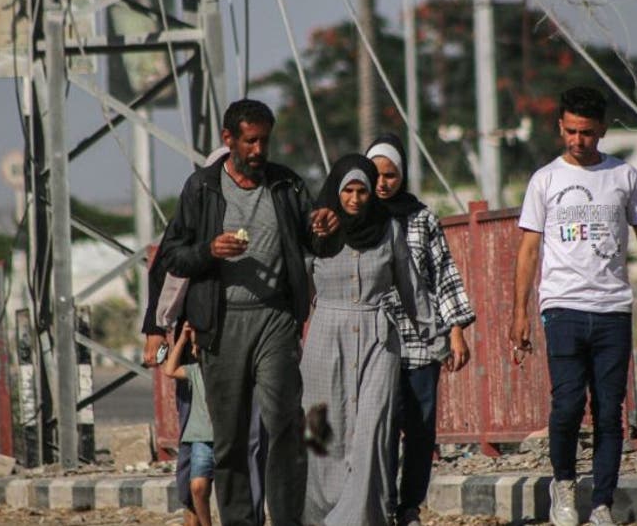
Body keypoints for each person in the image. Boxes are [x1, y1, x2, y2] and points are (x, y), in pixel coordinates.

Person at [155, 99, 338, 526]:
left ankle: (288, 518)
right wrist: (209, 250)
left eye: (264, 141)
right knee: (232, 438)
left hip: (275, 318)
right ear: (228, 139)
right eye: (250, 141)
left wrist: (327, 229)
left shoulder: (287, 185)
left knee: (285, 424)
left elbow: (317, 244)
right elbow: (172, 256)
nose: (259, 150)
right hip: (221, 325)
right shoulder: (202, 189)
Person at [509, 87, 637, 526]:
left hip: (613, 307)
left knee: (610, 410)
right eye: (571, 131)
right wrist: (518, 311)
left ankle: (601, 503)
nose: (578, 141)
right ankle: (562, 484)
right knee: (567, 405)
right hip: (562, 307)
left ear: (603, 130)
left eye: (588, 133)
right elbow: (527, 249)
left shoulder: (624, 176)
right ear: (561, 126)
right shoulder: (545, 179)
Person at [302, 154, 436, 526]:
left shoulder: (388, 229)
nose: (357, 199)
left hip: (380, 341)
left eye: (363, 191)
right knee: (320, 436)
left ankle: (361, 519)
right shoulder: (316, 232)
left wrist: (436, 336)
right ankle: (320, 516)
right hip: (325, 342)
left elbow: (411, 286)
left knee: (372, 434)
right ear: (336, 191)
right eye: (349, 191)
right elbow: (296, 287)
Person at [141, 148, 268, 526]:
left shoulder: (265, 209)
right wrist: (155, 330)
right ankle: (192, 508)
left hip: (255, 335)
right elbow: (166, 270)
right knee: (196, 429)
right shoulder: (193, 211)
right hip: (199, 340)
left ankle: (249, 515)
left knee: (252, 436)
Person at [365, 134, 476, 526]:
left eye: (391, 175)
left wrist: (456, 330)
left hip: (422, 341)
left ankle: (410, 506)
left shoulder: (422, 218)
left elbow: (442, 274)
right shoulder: (358, 220)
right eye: (375, 175)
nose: (382, 183)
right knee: (379, 428)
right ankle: (381, 502)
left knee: (419, 428)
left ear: (403, 176)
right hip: (374, 342)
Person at [161, 323, 215, 526]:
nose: (193, 351)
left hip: (227, 436)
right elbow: (170, 369)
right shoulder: (195, 371)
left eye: (196, 347)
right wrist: (182, 339)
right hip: (201, 437)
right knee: (198, 487)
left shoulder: (227, 370)